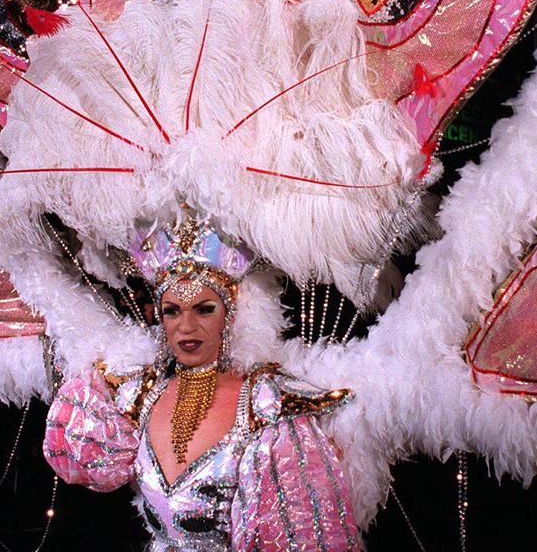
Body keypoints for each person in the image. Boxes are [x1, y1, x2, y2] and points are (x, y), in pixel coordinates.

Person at [44, 215, 361, 551]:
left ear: (230, 314)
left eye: (204, 309)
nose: (186, 326)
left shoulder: (265, 405)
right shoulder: (140, 394)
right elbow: (84, 459)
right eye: (172, 311)